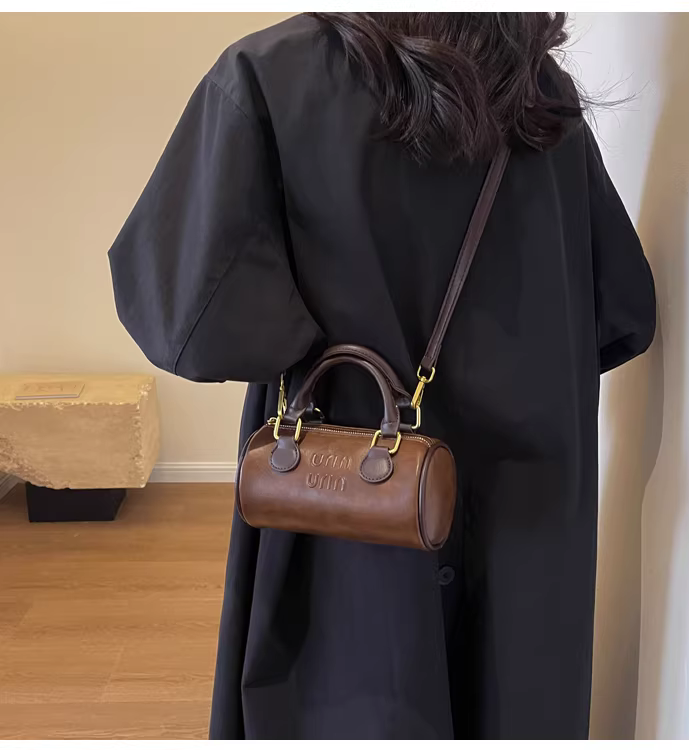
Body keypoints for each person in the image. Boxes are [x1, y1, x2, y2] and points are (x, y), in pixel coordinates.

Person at [108, 13, 656, 739]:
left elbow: (183, 316)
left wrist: (303, 334)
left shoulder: (270, 75)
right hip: (527, 501)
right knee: (515, 696)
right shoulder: (537, 88)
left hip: (344, 487)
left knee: (351, 693)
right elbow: (621, 312)